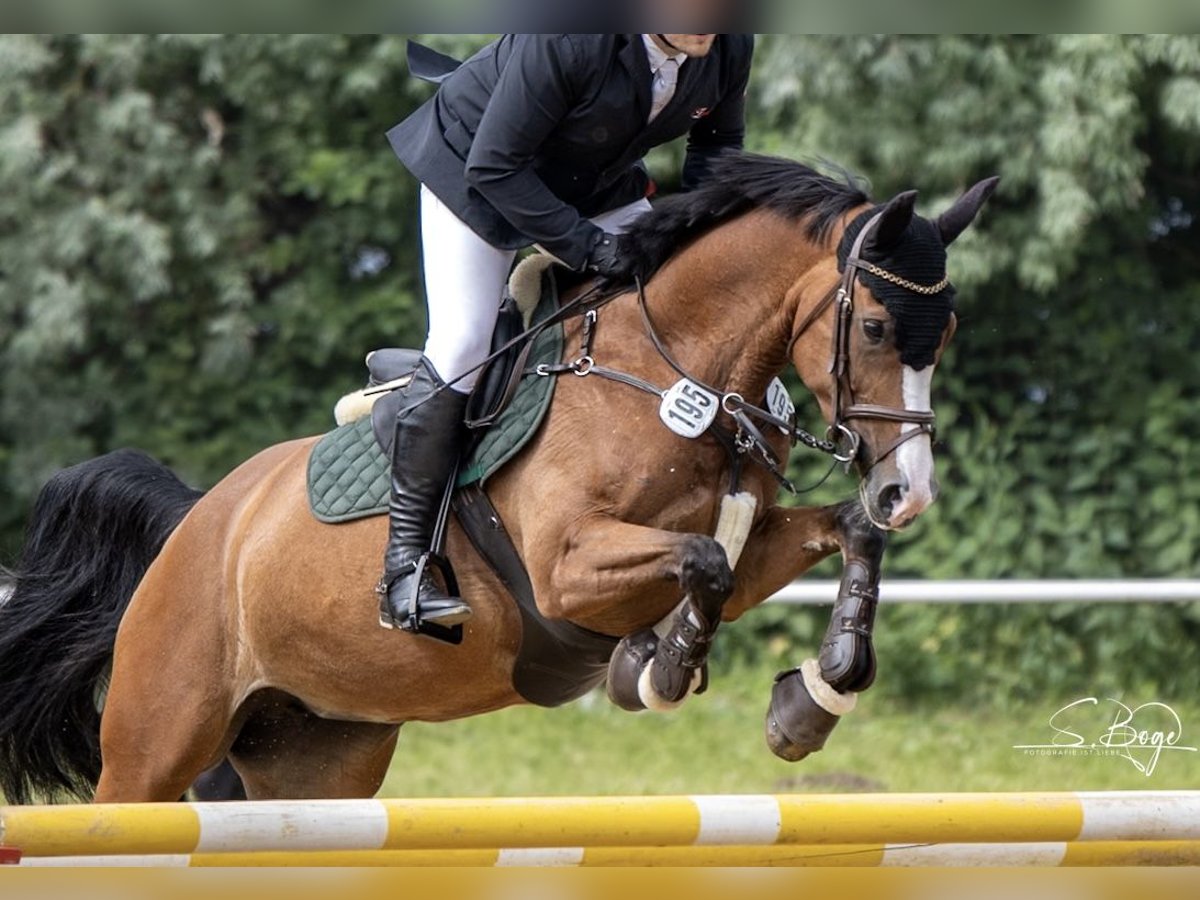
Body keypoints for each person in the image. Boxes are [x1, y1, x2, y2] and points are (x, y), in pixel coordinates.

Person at [380, 33, 755, 634]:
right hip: (478, 172)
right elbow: (495, 166)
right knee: (463, 345)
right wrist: (592, 248)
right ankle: (405, 566)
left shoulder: (726, 42)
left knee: (673, 302)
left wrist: (698, 236)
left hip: (592, 184)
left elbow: (717, 146)